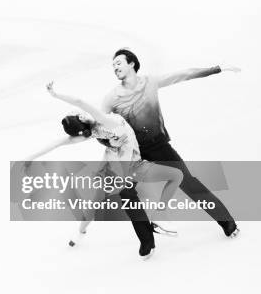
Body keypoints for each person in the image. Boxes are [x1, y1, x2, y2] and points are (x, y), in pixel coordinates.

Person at [22, 82, 184, 259]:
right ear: (82, 122)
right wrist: (55, 95)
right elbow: (77, 105)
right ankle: (83, 231)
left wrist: (31, 156)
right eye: (77, 114)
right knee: (100, 203)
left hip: (128, 166)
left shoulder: (98, 126)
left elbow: (61, 136)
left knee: (123, 199)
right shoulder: (97, 124)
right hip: (116, 168)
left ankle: (146, 233)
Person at [102, 48, 241, 244]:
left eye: (118, 62)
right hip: (133, 152)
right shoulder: (111, 98)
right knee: (126, 192)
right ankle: (147, 242)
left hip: (159, 146)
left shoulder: (150, 82)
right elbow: (102, 126)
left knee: (188, 181)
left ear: (132, 63)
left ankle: (226, 222)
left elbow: (182, 75)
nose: (115, 67)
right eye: (113, 65)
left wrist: (216, 69)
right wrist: (107, 141)